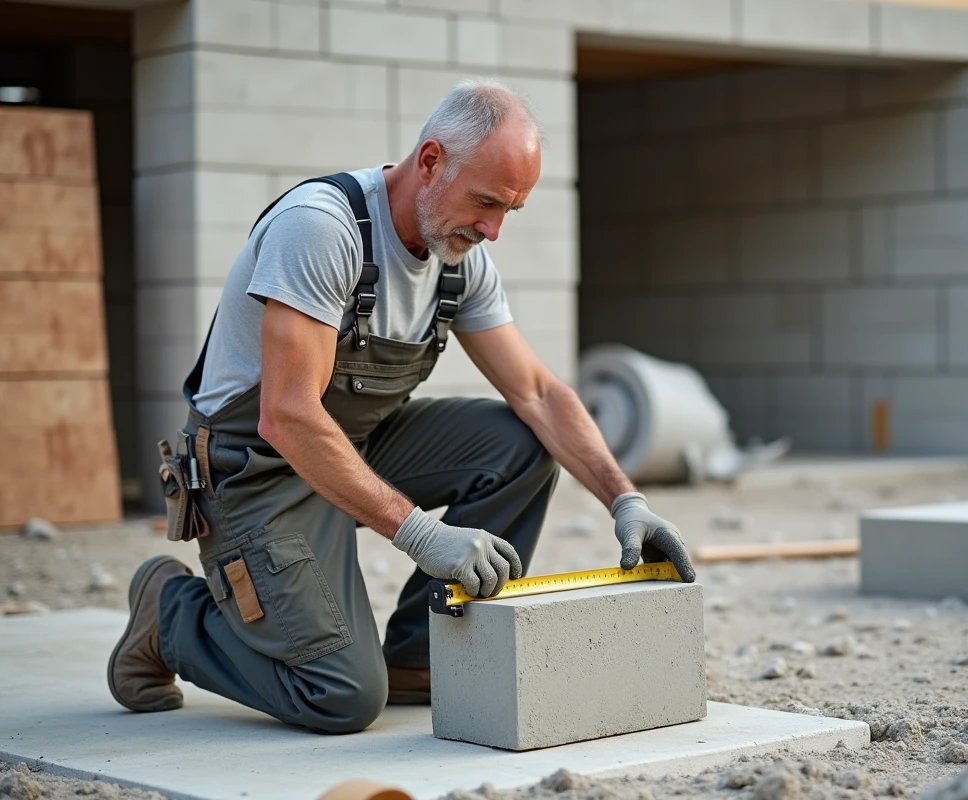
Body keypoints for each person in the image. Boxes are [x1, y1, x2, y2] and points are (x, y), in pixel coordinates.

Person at [105, 78, 695, 735]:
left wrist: (624, 499)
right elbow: (288, 414)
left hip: (353, 449)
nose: (493, 229)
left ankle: (421, 657)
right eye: (487, 202)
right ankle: (171, 614)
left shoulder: (458, 257)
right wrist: (422, 535)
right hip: (256, 476)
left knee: (520, 444)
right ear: (432, 161)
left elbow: (538, 392)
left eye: (511, 211)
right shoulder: (321, 230)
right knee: (341, 696)